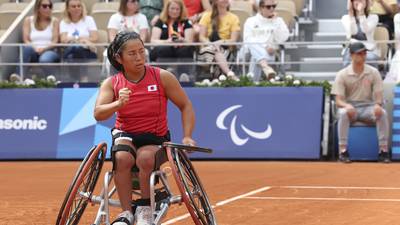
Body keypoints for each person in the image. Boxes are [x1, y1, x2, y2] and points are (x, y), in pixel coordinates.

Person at [93, 31, 196, 225]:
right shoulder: (112, 83)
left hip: (155, 137)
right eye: (132, 53)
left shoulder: (162, 77)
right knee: (122, 157)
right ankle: (126, 213)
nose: (139, 57)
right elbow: (98, 114)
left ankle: (145, 210)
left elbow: (186, 106)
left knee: (145, 158)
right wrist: (117, 105)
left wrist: (187, 136)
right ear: (119, 58)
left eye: (141, 51)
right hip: (125, 134)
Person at [331, 42, 390, 163]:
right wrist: (347, 105)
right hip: (351, 108)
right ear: (352, 55)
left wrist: (378, 105)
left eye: (364, 53)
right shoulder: (342, 74)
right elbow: (338, 101)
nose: (363, 56)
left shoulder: (373, 72)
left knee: (382, 113)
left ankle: (383, 151)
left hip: (368, 107)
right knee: (342, 113)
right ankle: (343, 151)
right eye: (359, 53)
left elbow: (378, 95)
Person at [241, 0, 289, 81]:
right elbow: (247, 40)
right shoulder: (251, 21)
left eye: (273, 6)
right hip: (250, 53)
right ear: (260, 8)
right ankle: (265, 66)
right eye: (268, 7)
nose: (272, 9)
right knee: (253, 48)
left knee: (256, 57)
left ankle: (252, 85)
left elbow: (282, 38)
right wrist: (265, 46)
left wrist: (275, 22)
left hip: (271, 53)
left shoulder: (278, 21)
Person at [150, 0, 195, 78]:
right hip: (164, 48)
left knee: (186, 49)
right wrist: (167, 41)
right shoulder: (160, 21)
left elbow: (189, 41)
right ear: (167, 9)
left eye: (177, 9)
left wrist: (182, 40)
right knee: (165, 49)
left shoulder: (186, 22)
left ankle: (184, 75)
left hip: (180, 48)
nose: (175, 11)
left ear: (181, 10)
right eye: (172, 8)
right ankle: (161, 75)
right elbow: (153, 41)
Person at [198, 0, 240, 79]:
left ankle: (217, 78)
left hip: (225, 50)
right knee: (214, 51)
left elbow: (233, 40)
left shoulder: (234, 18)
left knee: (218, 53)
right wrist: (211, 44)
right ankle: (229, 74)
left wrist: (220, 42)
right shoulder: (206, 16)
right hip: (206, 51)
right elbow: (201, 37)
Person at [105, 0, 149, 75]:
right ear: (124, 3)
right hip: (119, 48)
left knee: (145, 52)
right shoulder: (114, 17)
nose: (136, 3)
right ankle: (113, 78)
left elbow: (143, 38)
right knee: (108, 54)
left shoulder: (142, 17)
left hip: (136, 46)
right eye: (133, 1)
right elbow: (112, 38)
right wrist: (122, 48)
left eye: (137, 1)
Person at [18, 0, 60, 77]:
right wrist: (35, 48)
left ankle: (51, 80)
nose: (47, 8)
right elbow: (26, 39)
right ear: (37, 8)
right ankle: (18, 76)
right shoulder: (28, 20)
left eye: (50, 6)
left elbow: (55, 41)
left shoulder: (55, 21)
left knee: (44, 59)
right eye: (44, 6)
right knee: (27, 49)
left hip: (49, 50)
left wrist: (44, 49)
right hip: (33, 50)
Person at [59, 0, 98, 81]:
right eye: (73, 6)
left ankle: (74, 80)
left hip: (88, 51)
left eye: (78, 6)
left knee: (72, 55)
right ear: (68, 9)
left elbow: (95, 38)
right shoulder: (64, 22)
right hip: (69, 50)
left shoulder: (89, 19)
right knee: (75, 48)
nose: (77, 8)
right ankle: (84, 79)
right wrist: (81, 39)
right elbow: (63, 40)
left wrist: (73, 39)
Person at [341, 0, 380, 67]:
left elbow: (365, 30)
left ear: (366, 2)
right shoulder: (345, 18)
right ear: (351, 3)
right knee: (348, 60)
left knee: (371, 59)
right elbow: (353, 32)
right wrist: (351, 14)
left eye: (362, 0)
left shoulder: (374, 17)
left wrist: (361, 14)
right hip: (352, 48)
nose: (359, 2)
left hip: (368, 49)